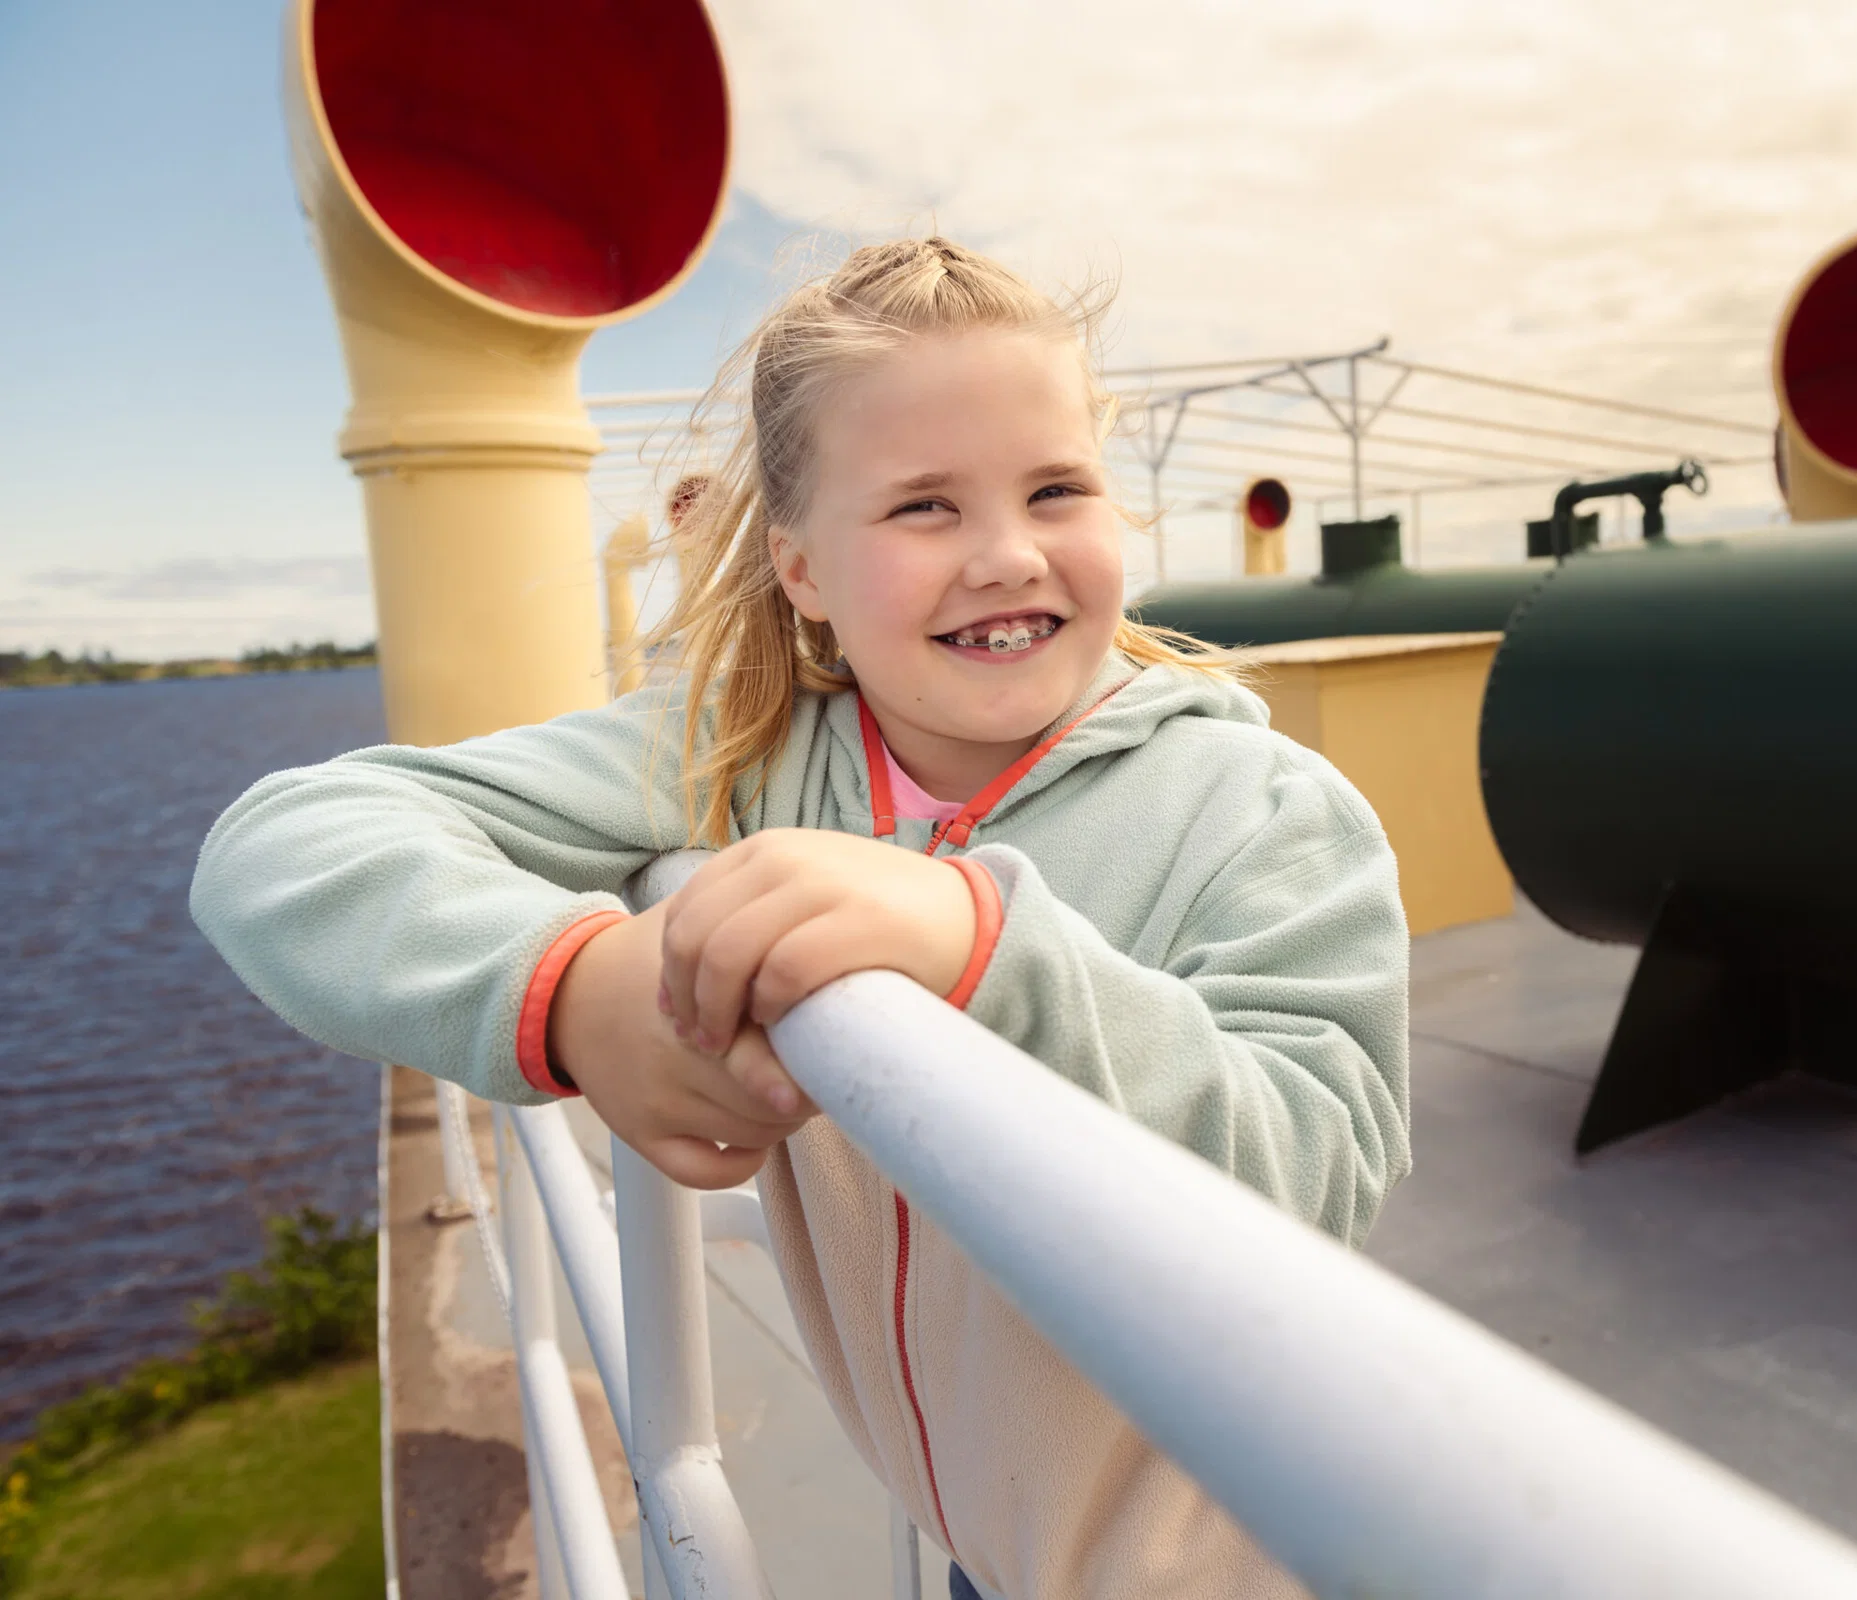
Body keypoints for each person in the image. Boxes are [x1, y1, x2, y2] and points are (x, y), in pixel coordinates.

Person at [191, 238, 1410, 1600]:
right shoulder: (749, 760)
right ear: (803, 568)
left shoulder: (1264, 813)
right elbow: (279, 845)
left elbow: (1313, 1172)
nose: (1008, 555)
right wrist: (578, 991)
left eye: (1056, 488)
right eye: (924, 508)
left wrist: (980, 952)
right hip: (979, 1557)